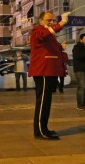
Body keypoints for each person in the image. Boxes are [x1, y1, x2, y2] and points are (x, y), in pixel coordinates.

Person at [29, 11, 70, 140]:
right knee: (43, 102)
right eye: (49, 20)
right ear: (41, 21)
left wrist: (60, 48)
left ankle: (43, 128)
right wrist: (62, 22)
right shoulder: (37, 30)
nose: (52, 22)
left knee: (46, 102)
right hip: (44, 71)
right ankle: (40, 131)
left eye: (53, 20)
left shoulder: (49, 35)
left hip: (50, 71)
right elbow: (44, 34)